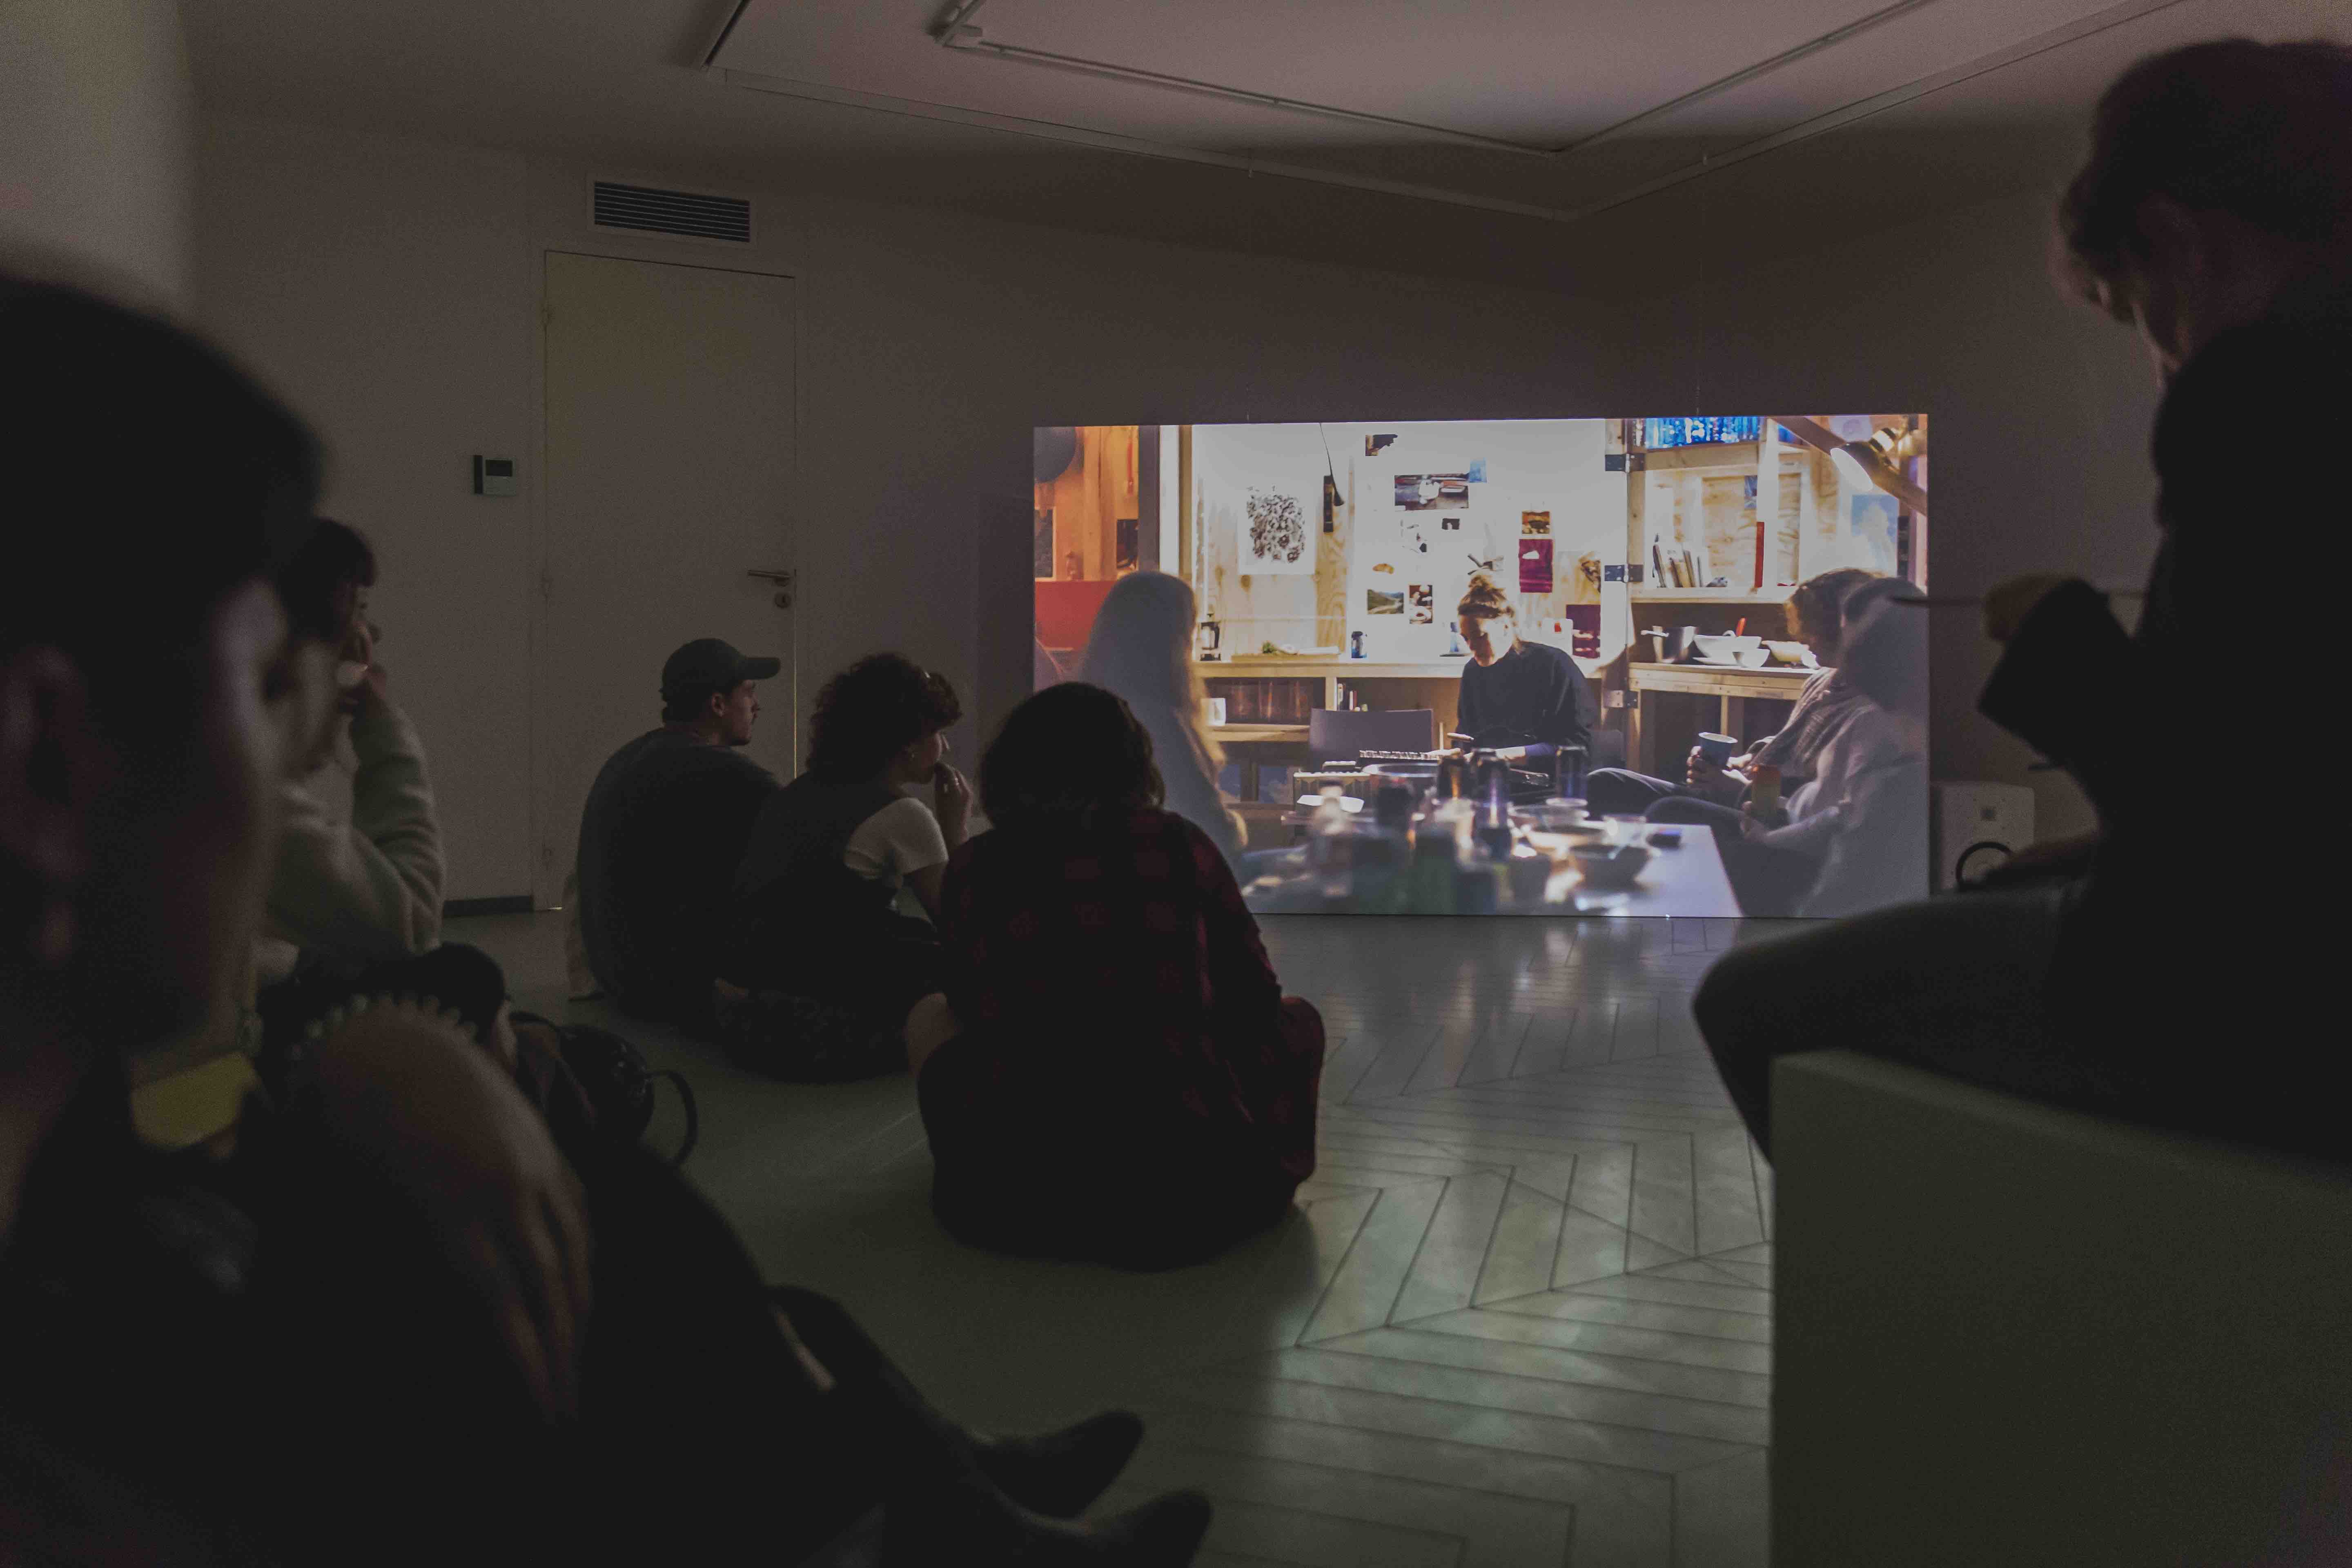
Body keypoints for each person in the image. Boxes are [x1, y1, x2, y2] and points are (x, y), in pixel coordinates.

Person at [0, 278, 1214, 1567]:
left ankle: (946, 1497)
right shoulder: (93, 1469)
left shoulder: (78, 1183)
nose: (282, 750)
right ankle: (929, 1511)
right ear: (54, 761)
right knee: (653, 1282)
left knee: (712, 1284)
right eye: (255, 685)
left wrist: (351, 1042)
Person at [1695, 38, 2352, 1162]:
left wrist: (2060, 637)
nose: (2156, 356)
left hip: (2261, 1003)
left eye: (2132, 306)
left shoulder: (2263, 386)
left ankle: (1923, 1316)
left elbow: (2206, 816)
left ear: (2173, 241)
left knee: (1749, 1001)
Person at [913, 683, 1327, 1270]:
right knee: (1299, 1018)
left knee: (927, 1015)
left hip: (1013, 1202)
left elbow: (969, 1002)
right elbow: (1256, 998)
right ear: (1135, 763)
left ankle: (973, 1158)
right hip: (1208, 1194)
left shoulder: (978, 863)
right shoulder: (1182, 845)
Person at [716, 653, 968, 1080]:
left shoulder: (796, 793)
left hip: (744, 999)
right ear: (907, 742)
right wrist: (954, 827)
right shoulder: (904, 815)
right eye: (938, 733)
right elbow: (963, 923)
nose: (944, 747)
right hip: (816, 1011)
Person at [574, 637, 780, 1030]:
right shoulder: (727, 774)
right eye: (749, 693)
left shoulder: (627, 757)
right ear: (718, 705)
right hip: (672, 994)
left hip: (618, 980)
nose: (757, 706)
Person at [1582, 566, 1880, 817]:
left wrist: (1737, 788)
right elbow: (1785, 745)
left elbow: (1815, 810)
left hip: (1765, 816)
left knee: (1669, 811)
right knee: (1604, 782)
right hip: (1743, 788)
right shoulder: (1822, 680)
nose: (1806, 640)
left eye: (1815, 629)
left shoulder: (1870, 711)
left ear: (1843, 628)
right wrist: (1737, 764)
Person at [1078, 572, 1243, 862]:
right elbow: (1216, 833)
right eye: (1189, 633)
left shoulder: (1086, 713)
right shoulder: (1160, 724)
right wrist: (1239, 825)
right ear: (1175, 642)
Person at [1450, 572, 1592, 766]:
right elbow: (1466, 738)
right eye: (1466, 638)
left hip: (1546, 786)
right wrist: (1453, 755)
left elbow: (1578, 746)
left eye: (1480, 636)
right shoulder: (1472, 672)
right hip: (1488, 782)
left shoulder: (1554, 665)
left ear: (1506, 627)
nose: (1472, 647)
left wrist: (1502, 756)